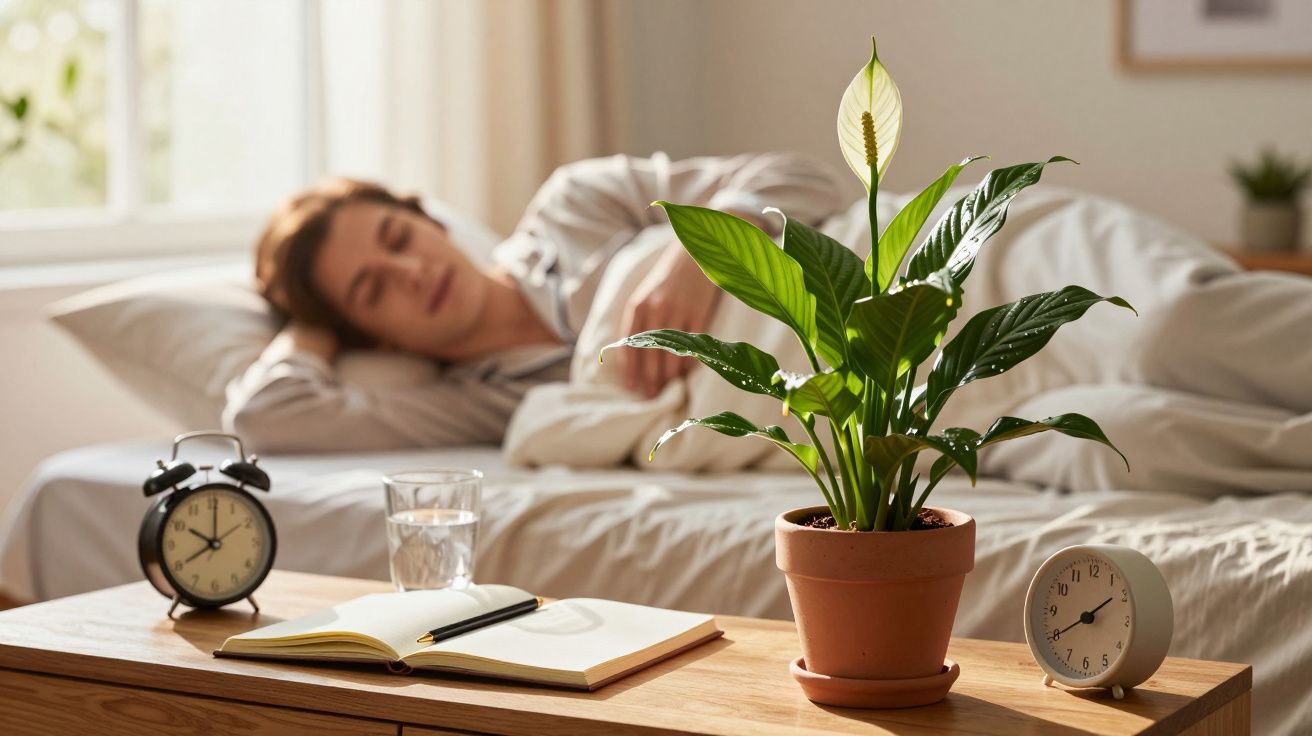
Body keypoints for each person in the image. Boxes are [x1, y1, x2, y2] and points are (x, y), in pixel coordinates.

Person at [224, 152, 845, 452]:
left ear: (429, 222)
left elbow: (802, 178)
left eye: (399, 238)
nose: (410, 272)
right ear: (372, 337)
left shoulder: (576, 205)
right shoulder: (472, 405)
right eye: (373, 290)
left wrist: (703, 254)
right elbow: (267, 416)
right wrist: (309, 326)